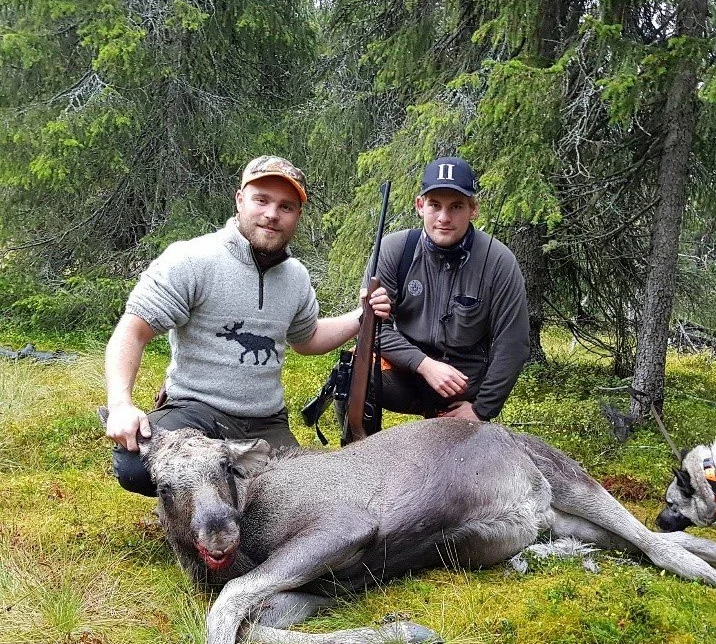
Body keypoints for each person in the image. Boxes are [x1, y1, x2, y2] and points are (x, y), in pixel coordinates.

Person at [104, 155, 390, 496]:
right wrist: (120, 405)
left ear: (298, 215)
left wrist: (362, 316)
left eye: (286, 206)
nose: (272, 214)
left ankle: (225, 487)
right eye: (261, 200)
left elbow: (308, 338)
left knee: (313, 494)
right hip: (197, 413)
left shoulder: (296, 277)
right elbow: (133, 331)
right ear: (240, 200)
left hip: (266, 422)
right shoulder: (191, 259)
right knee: (136, 465)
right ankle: (208, 495)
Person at [363, 156, 529, 422]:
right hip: (407, 372)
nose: (444, 218)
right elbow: (372, 327)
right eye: (435, 205)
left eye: (456, 206)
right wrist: (424, 364)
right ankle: (360, 446)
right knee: (352, 373)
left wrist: (481, 410)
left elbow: (513, 343)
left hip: (462, 384)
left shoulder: (498, 261)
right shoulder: (395, 250)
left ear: (473, 209)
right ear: (420, 205)